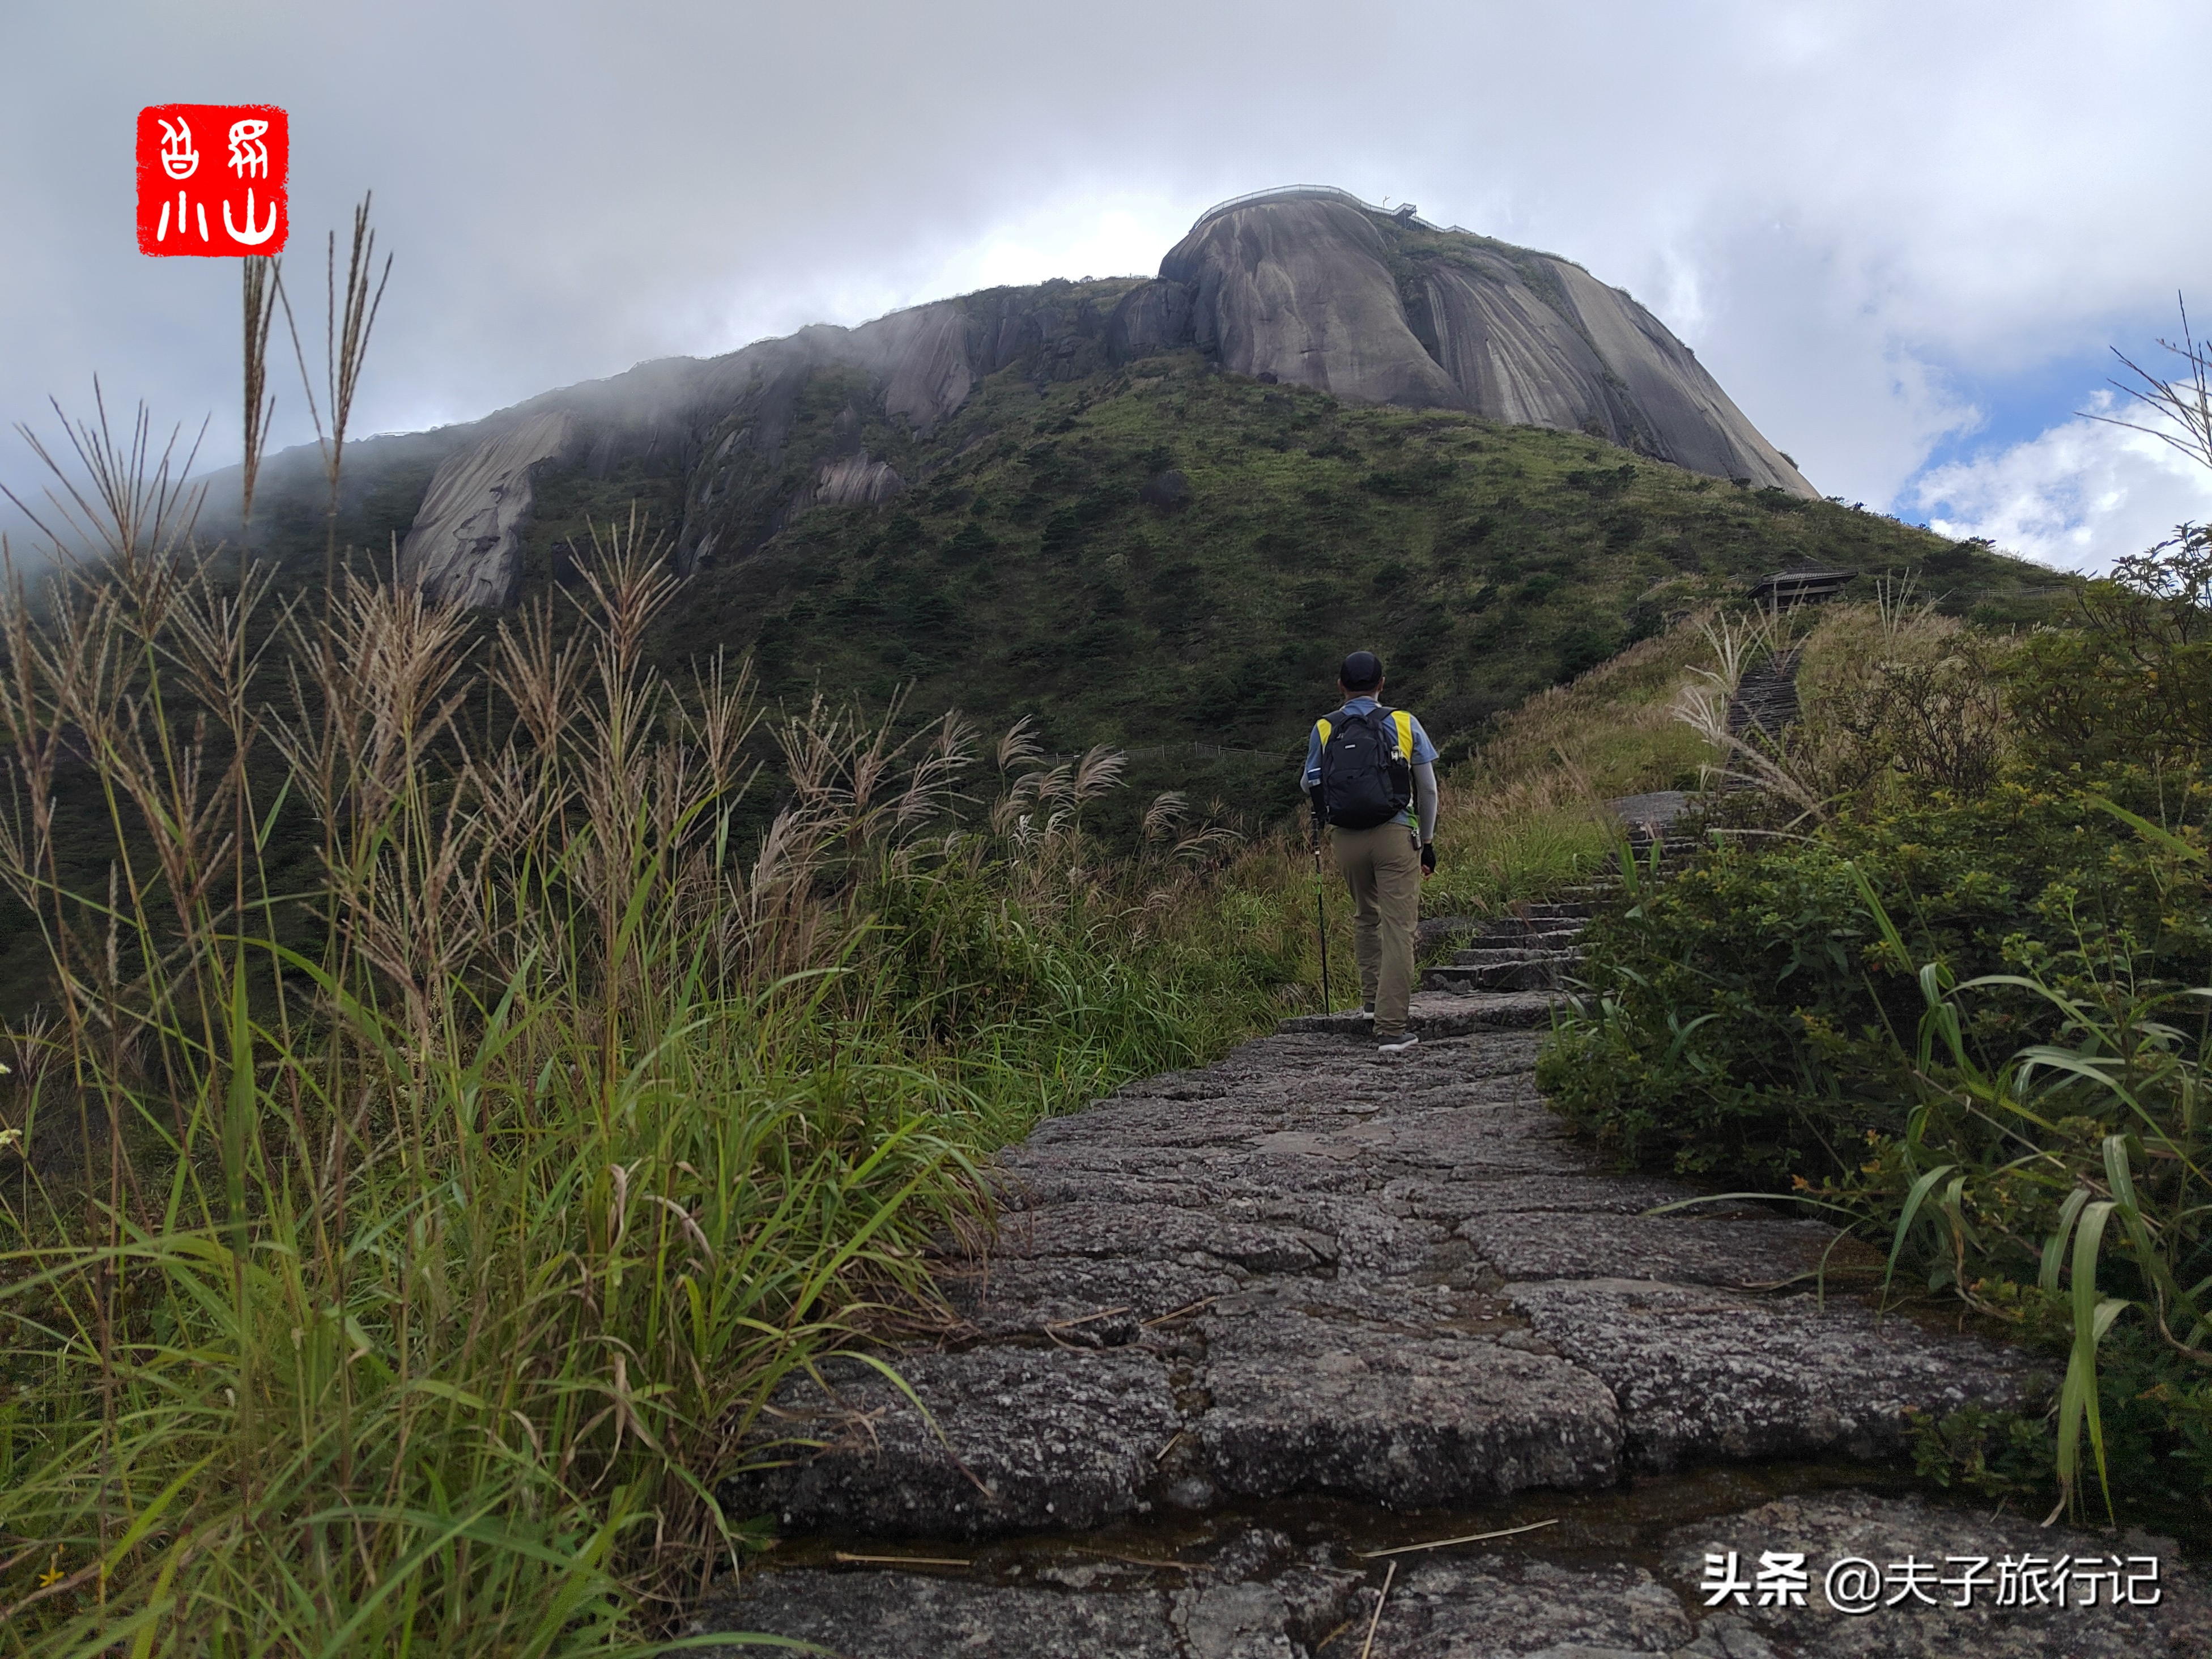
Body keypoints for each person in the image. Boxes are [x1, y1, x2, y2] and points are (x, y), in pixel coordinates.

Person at [1303, 650, 1439, 1055]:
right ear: (1382, 684)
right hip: (1395, 834)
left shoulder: (1325, 727)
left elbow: (1309, 783)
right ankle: (1391, 1028)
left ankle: (1370, 1004)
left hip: (1346, 839)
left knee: (1366, 916)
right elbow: (1428, 789)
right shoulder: (1404, 722)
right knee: (1399, 928)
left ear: (1340, 686)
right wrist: (1427, 842)